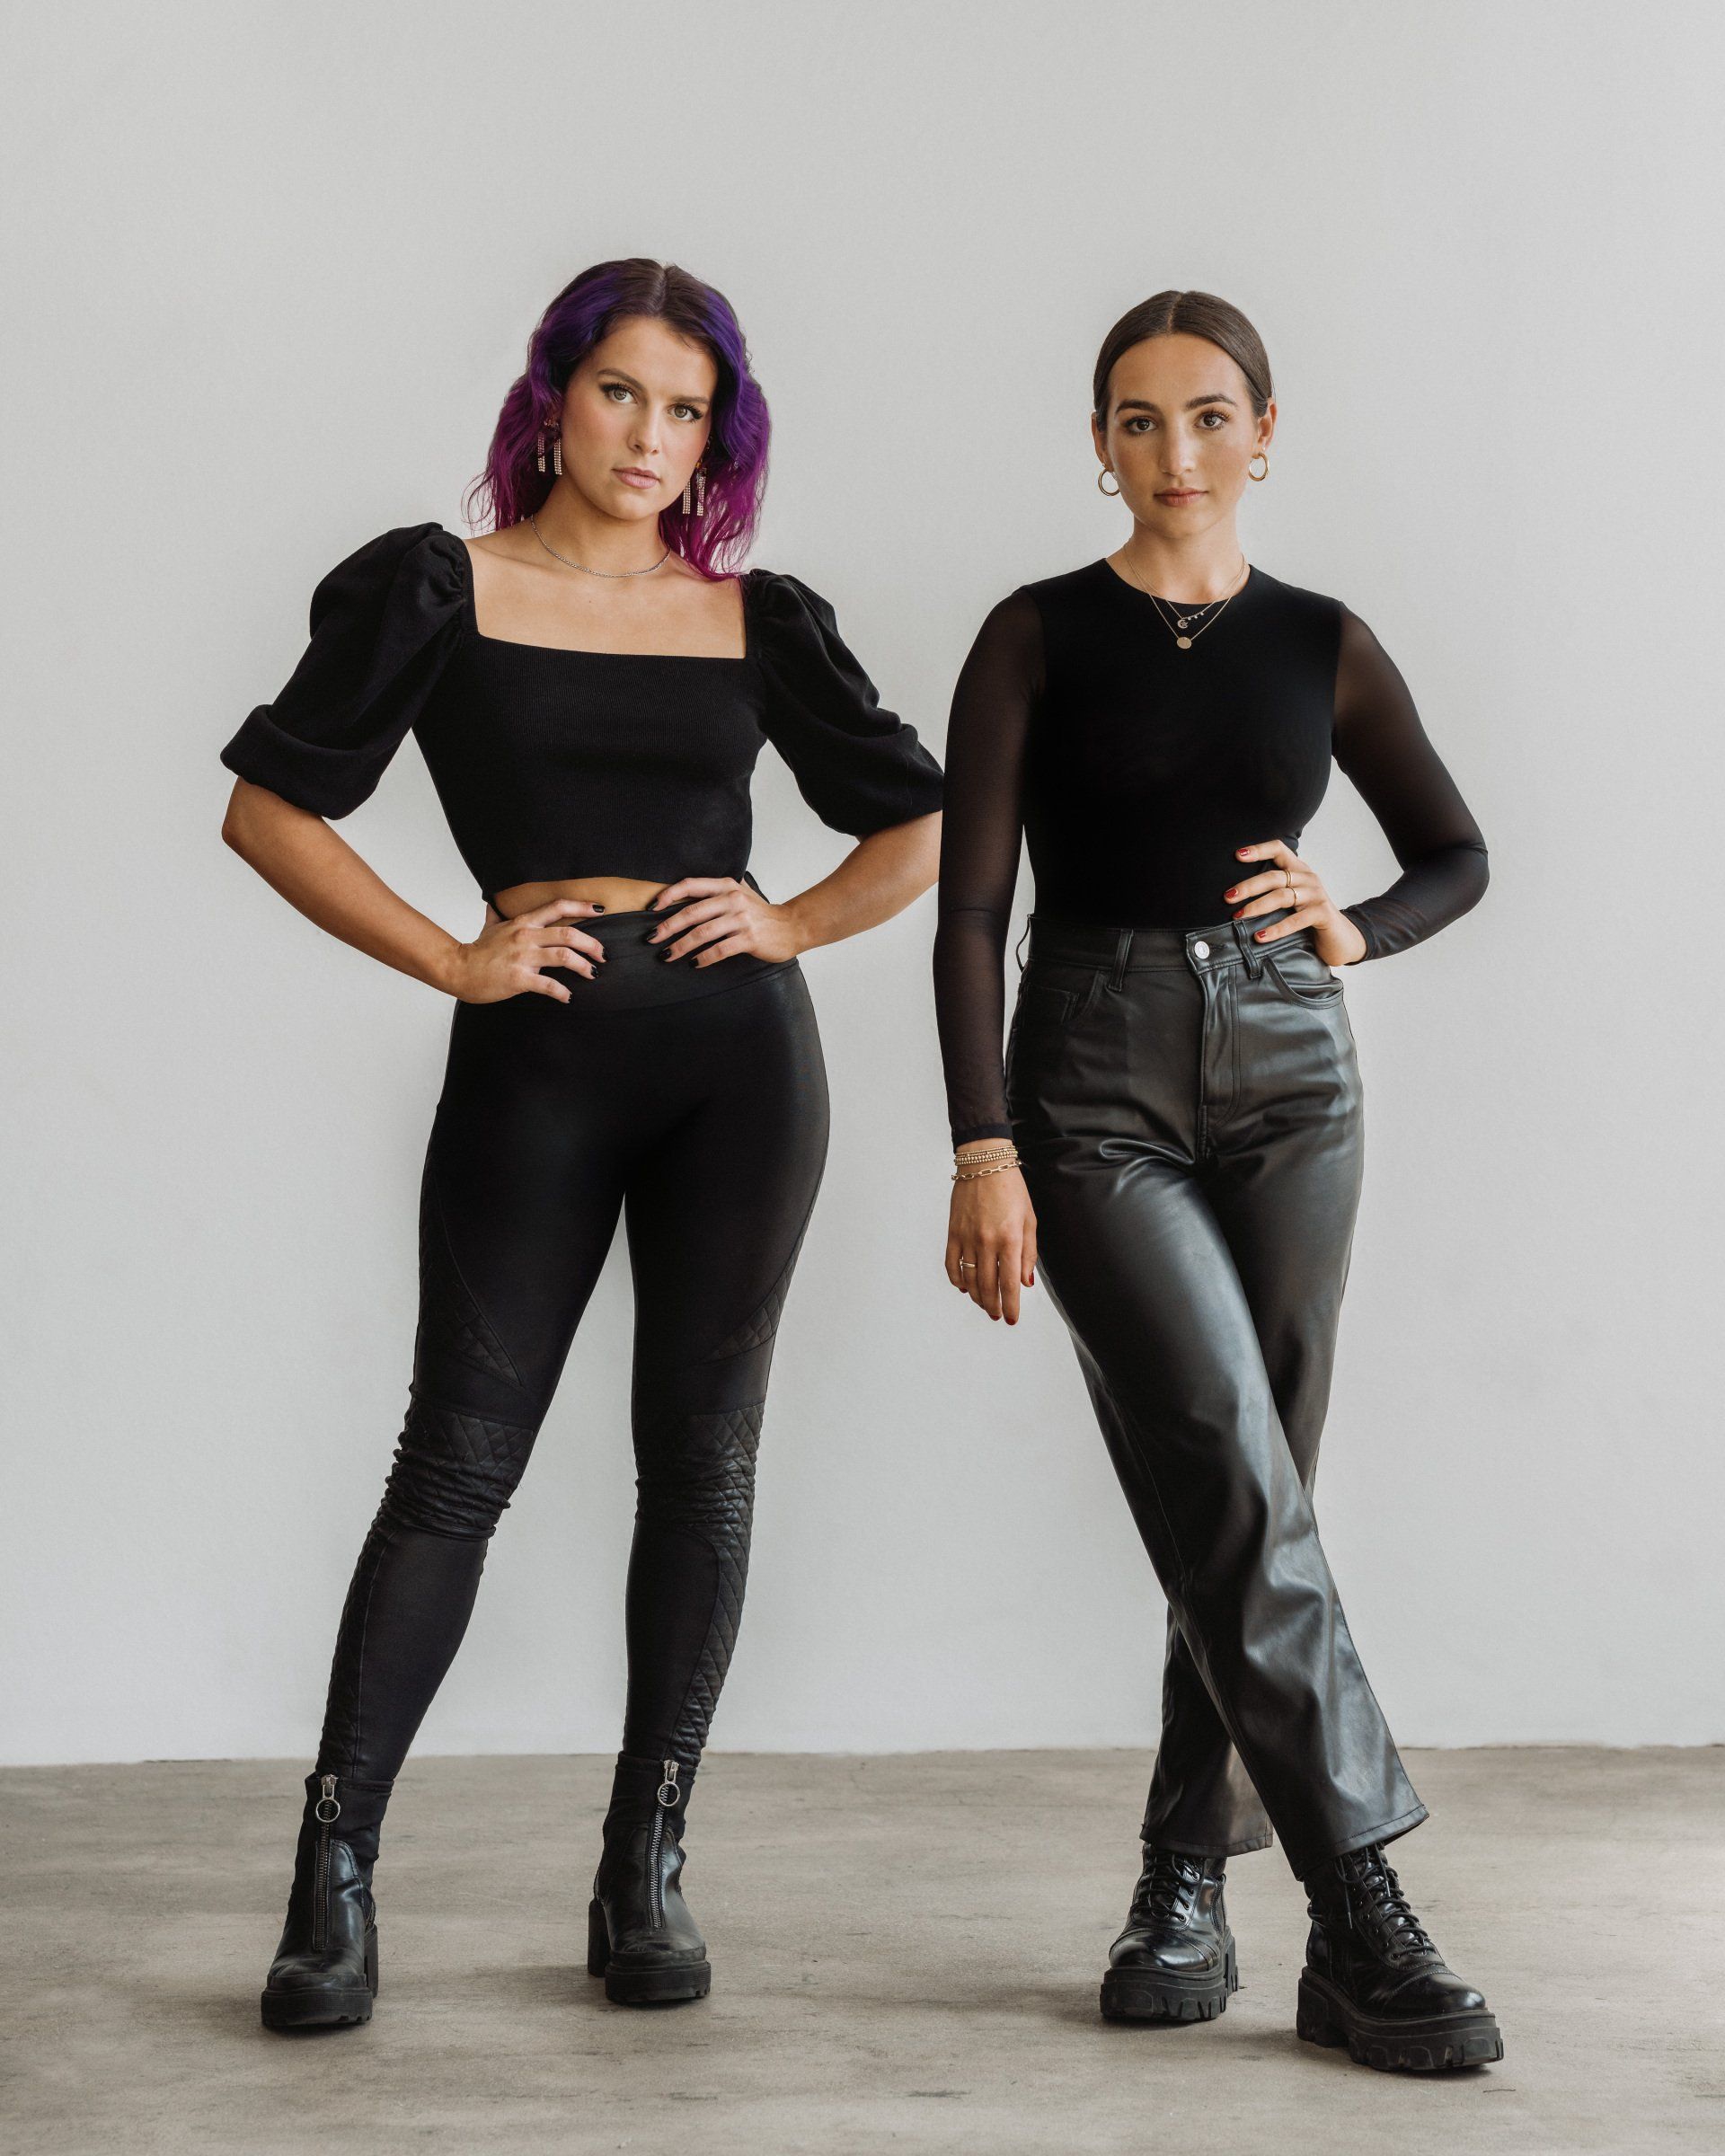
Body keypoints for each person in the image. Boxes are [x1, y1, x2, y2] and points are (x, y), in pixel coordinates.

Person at [219, 257, 943, 2029]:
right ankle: (332, 1881)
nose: (651, 436)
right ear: (554, 398)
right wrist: (453, 956)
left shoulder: (759, 618)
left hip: (739, 1074)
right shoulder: (439, 586)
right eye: (623, 391)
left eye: (689, 410)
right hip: (536, 1062)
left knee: (701, 1467)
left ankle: (645, 1869)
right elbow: (268, 807)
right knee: (456, 1462)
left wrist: (792, 921)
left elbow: (923, 821)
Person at [932, 289, 1501, 2073]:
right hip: (1089, 1075)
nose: (1174, 451)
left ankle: (1186, 1877)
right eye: (1137, 419)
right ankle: (1361, 1909)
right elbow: (971, 913)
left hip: (1293, 1077)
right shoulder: (1032, 635)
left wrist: (1357, 925)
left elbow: (1457, 852)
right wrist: (981, 1143)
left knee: (1253, 1493)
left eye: (1206, 415)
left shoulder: (1324, 641)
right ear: (1099, 445)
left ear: (1265, 431)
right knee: (1228, 1472)